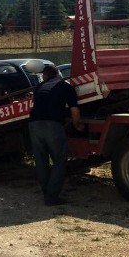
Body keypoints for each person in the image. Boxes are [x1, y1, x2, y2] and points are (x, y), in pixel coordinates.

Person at [27, 63, 83, 206]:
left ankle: (46, 192)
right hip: (52, 125)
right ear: (58, 74)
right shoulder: (66, 87)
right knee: (59, 160)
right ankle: (52, 197)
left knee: (41, 160)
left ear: (45, 76)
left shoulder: (39, 88)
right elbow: (74, 110)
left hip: (34, 124)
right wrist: (78, 125)